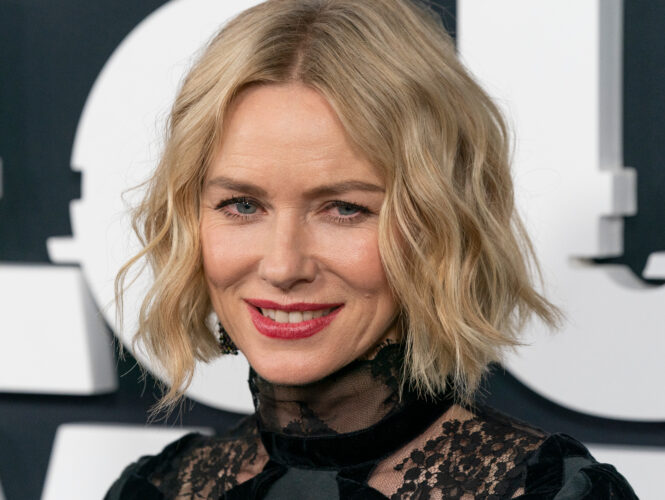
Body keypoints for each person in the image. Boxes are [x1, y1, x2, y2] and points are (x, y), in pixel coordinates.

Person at [105, 0, 637, 498]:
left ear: (437, 224)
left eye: (344, 208)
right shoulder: (155, 488)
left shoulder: (551, 490)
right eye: (242, 205)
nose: (283, 266)